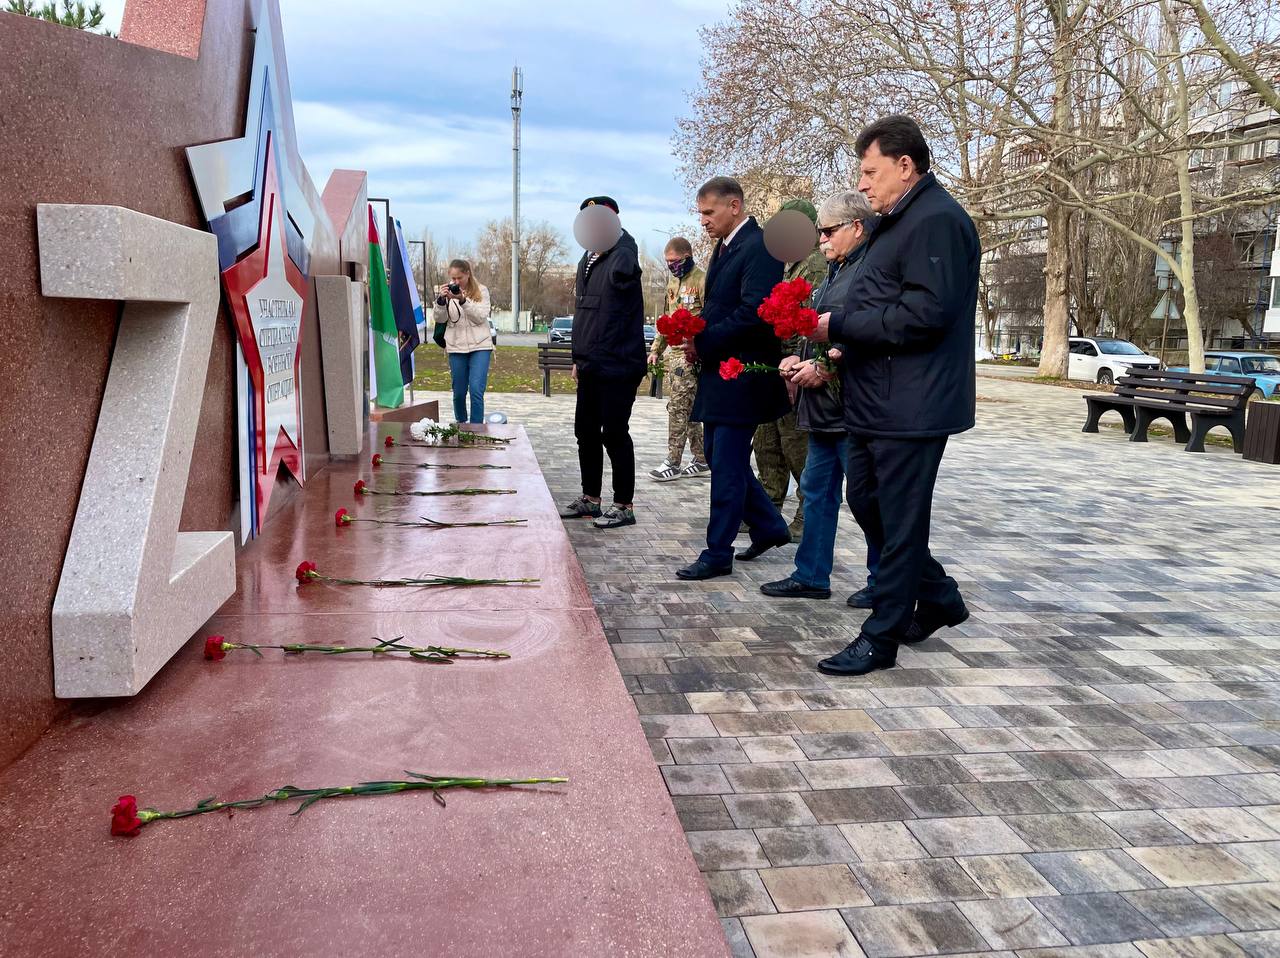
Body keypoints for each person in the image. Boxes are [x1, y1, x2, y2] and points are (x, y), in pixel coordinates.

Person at [810, 115, 978, 676]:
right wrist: (840, 343)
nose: (862, 184)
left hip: (913, 403)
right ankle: (939, 598)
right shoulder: (897, 220)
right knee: (867, 502)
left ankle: (880, 636)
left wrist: (839, 327)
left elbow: (926, 314)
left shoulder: (936, 220)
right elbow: (878, 302)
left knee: (900, 520)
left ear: (905, 166)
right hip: (876, 397)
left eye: (869, 172)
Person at [760, 191, 880, 603]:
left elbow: (872, 330)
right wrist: (800, 357)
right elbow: (821, 328)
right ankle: (811, 574)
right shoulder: (835, 270)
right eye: (819, 232)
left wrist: (828, 365)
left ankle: (884, 583)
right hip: (824, 408)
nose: (822, 239)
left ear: (857, 227)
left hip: (855, 409)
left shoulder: (871, 269)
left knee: (866, 499)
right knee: (815, 491)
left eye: (829, 231)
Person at [676, 176, 790, 581]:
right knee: (721, 457)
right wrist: (694, 333)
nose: (703, 220)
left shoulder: (760, 246)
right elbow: (720, 305)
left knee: (725, 465)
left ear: (734, 206)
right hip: (720, 372)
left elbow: (754, 312)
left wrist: (705, 340)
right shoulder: (724, 246)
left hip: (743, 374)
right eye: (701, 213)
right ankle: (770, 526)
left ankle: (717, 552)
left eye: (709, 212)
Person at [559, 196, 646, 530]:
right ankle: (590, 499)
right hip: (591, 363)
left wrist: (620, 246)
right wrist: (578, 358)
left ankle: (624, 505)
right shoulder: (588, 258)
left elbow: (627, 275)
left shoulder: (623, 254)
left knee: (614, 433)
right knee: (585, 432)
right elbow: (585, 314)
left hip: (619, 364)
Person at [748, 198, 828, 544]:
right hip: (774, 364)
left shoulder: (814, 265)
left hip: (794, 367)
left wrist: (797, 361)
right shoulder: (787, 264)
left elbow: (810, 320)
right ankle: (767, 509)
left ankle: (807, 515)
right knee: (768, 443)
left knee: (797, 446)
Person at [647, 237, 710, 482]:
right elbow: (667, 319)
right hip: (673, 355)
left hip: (691, 354)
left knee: (677, 408)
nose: (671, 266)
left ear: (687, 257)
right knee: (689, 408)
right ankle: (701, 458)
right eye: (668, 262)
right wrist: (656, 349)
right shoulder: (672, 282)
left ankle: (673, 462)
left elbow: (709, 316)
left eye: (675, 261)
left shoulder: (702, 280)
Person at [433, 259, 492, 424]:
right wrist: (441, 301)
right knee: (458, 392)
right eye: (453, 278)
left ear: (468, 274)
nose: (456, 282)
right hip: (456, 346)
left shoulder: (481, 290)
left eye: (460, 278)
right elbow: (439, 318)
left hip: (480, 346)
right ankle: (461, 425)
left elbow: (480, 317)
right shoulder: (446, 292)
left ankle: (476, 428)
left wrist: (463, 300)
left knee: (476, 390)